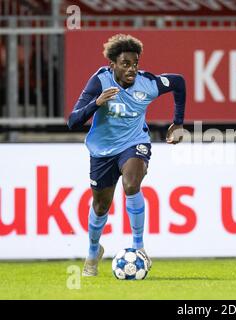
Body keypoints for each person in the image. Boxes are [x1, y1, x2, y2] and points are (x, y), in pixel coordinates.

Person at [67, 34, 186, 276]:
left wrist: (178, 123)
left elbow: (179, 82)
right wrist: (97, 103)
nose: (132, 69)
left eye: (135, 63)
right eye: (125, 64)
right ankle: (92, 251)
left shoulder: (148, 83)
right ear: (112, 64)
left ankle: (139, 247)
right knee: (101, 206)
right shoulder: (99, 81)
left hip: (135, 143)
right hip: (102, 151)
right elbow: (73, 121)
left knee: (132, 184)